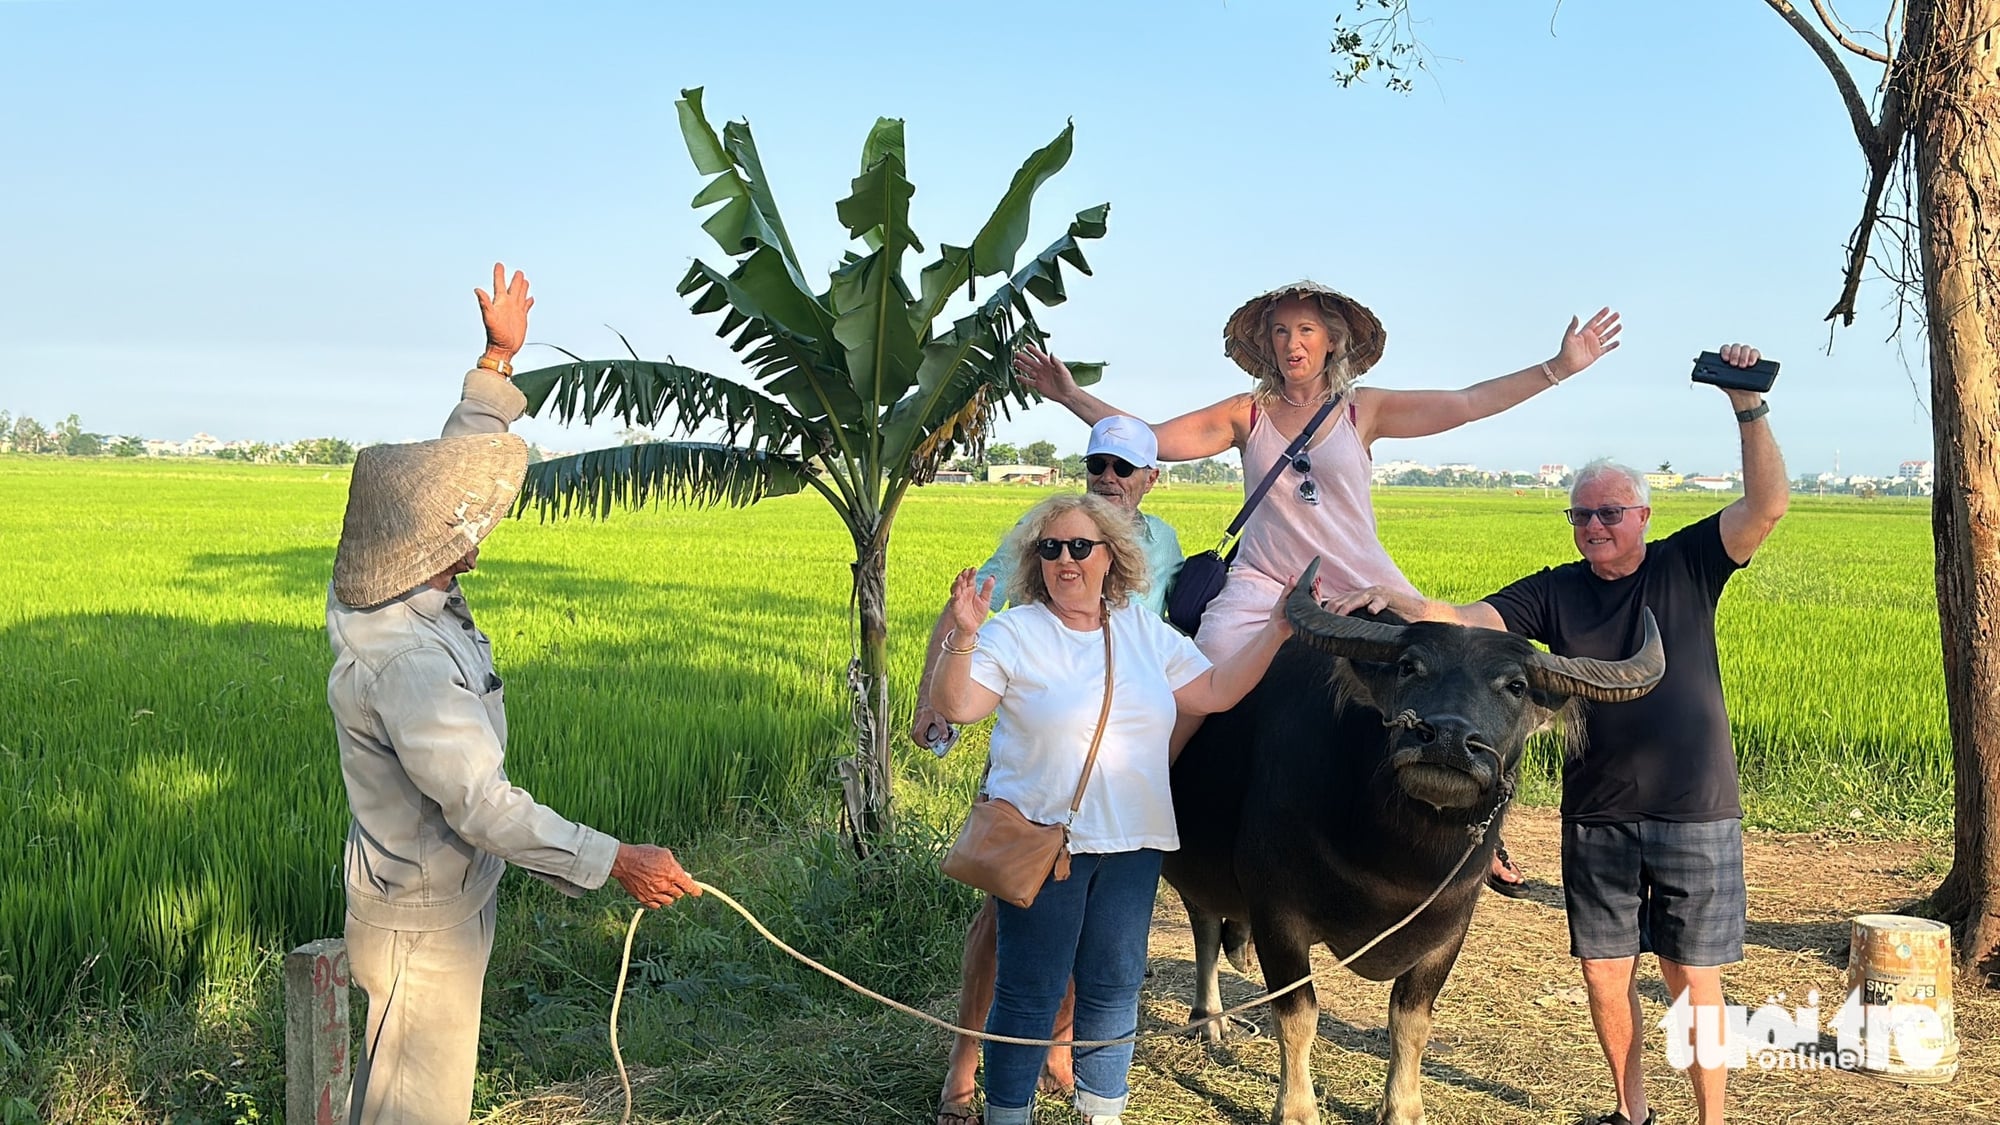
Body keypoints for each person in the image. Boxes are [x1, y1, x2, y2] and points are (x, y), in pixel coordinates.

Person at [1014, 280, 1622, 892]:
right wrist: (1069, 395)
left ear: (1333, 341)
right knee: (1198, 682)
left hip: (1361, 577)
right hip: (1265, 581)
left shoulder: (1365, 409)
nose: (1292, 344)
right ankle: (1143, 802)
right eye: (1280, 332)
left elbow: (1466, 402)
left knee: (1447, 667)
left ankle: (1481, 830)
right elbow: (1144, 439)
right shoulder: (1244, 414)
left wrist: (1559, 367)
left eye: (1305, 331)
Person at [1331, 343, 1787, 1125]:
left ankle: (1712, 1119)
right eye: (1582, 514)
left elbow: (1767, 505)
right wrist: (1397, 600)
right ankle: (1631, 1111)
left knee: (1690, 976)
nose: (1595, 525)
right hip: (1598, 810)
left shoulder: (1688, 564)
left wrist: (1747, 404)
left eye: (1611, 512)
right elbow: (1471, 620)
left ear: (1643, 515)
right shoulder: (1553, 590)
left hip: (1694, 806)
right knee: (1605, 975)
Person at [327, 264, 701, 1125]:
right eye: (463, 532)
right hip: (423, 925)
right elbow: (484, 807)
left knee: (396, 1094)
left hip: (426, 896)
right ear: (421, 549)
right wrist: (618, 859)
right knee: (415, 1109)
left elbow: (441, 478)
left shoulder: (371, 582)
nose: (475, 539)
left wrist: (495, 359)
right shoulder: (406, 662)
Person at [929, 492, 1299, 1125]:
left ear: (1112, 557)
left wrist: (1278, 630)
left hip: (1133, 843)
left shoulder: (1142, 631)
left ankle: (1102, 1114)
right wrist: (963, 636)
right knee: (1028, 994)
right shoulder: (1016, 631)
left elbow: (1213, 691)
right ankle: (1007, 1115)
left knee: (1113, 987)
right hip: (1049, 845)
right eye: (1050, 549)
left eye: (1080, 547)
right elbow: (958, 705)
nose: (1064, 561)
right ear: (1035, 560)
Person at [911, 415, 1184, 1125]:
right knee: (1007, 935)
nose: (1109, 477)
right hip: (1038, 775)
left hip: (1122, 782)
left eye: (1125, 466)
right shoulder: (1048, 533)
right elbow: (970, 612)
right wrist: (928, 696)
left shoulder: (1165, 545)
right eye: (1098, 462)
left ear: (1150, 479)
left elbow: (1190, 654)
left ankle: (1066, 1058)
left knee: (1105, 963)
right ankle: (965, 1075)